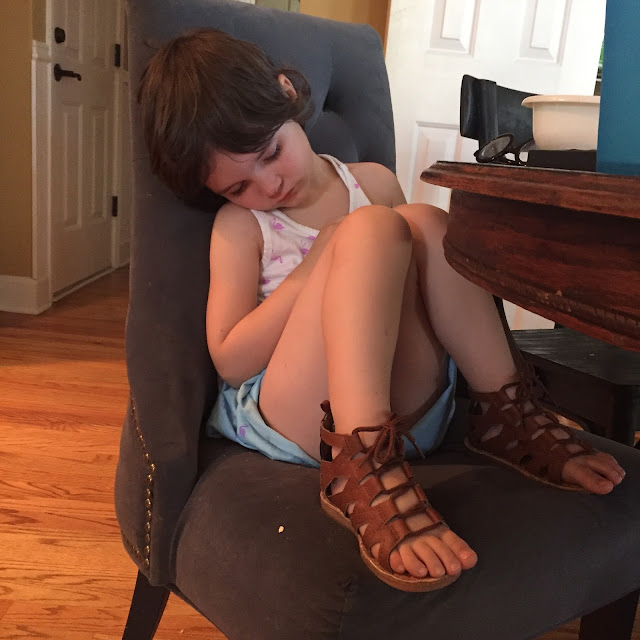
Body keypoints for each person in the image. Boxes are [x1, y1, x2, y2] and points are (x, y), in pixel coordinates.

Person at [137, 28, 625, 592]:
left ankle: (506, 415)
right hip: (302, 417)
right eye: (238, 186)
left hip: (403, 408)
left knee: (424, 223)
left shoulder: (372, 182)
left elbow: (419, 299)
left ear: (287, 94)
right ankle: (360, 464)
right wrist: (317, 262)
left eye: (271, 153)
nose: (268, 185)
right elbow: (230, 360)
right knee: (369, 229)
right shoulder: (241, 226)